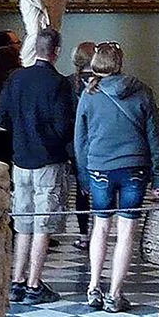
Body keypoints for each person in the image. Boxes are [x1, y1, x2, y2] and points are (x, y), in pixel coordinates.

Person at [74, 41, 159, 312]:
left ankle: (93, 287)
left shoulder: (89, 94)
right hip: (134, 167)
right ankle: (115, 294)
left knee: (100, 227)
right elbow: (154, 138)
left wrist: (83, 176)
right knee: (126, 231)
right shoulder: (142, 91)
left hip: (100, 167)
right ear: (119, 63)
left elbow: (80, 140)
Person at [0, 27, 77, 304]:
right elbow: (65, 127)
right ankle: (33, 284)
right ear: (57, 52)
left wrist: (23, 134)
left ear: (35, 49)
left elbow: (1, 118)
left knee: (23, 223)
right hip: (49, 162)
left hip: (20, 160)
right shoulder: (60, 83)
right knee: (43, 224)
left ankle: (17, 281)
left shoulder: (16, 79)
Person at [69, 40, 98, 247]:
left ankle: (83, 234)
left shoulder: (68, 83)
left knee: (82, 190)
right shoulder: (104, 82)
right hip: (100, 143)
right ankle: (100, 230)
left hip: (75, 142)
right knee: (103, 189)